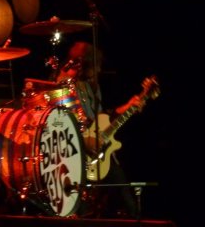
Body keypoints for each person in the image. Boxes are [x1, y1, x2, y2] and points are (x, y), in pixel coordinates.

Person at [55, 40, 142, 219]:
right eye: (96, 65)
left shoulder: (92, 86)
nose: (99, 70)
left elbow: (101, 117)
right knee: (83, 209)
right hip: (77, 153)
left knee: (128, 200)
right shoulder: (64, 86)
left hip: (100, 150)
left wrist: (128, 107)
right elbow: (64, 123)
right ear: (85, 64)